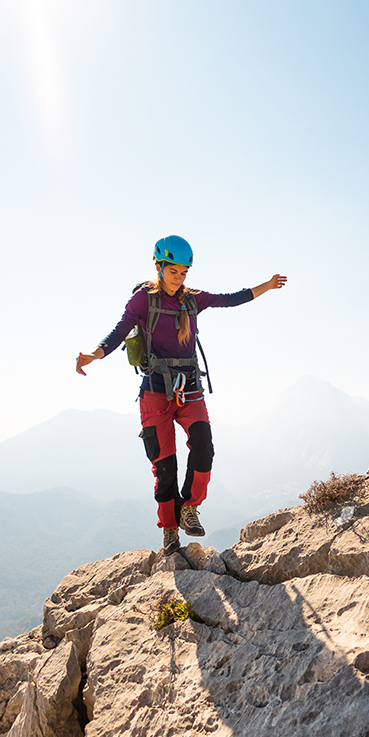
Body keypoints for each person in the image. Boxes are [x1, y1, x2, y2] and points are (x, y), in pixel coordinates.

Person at [76, 235, 287, 555]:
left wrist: (266, 286)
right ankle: (170, 530)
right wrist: (94, 354)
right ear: (158, 267)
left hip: (189, 388)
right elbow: (119, 331)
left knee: (204, 446)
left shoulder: (192, 299)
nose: (180, 277)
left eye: (184, 272)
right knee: (164, 467)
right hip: (155, 392)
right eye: (174, 271)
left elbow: (230, 299)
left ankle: (190, 507)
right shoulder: (143, 301)